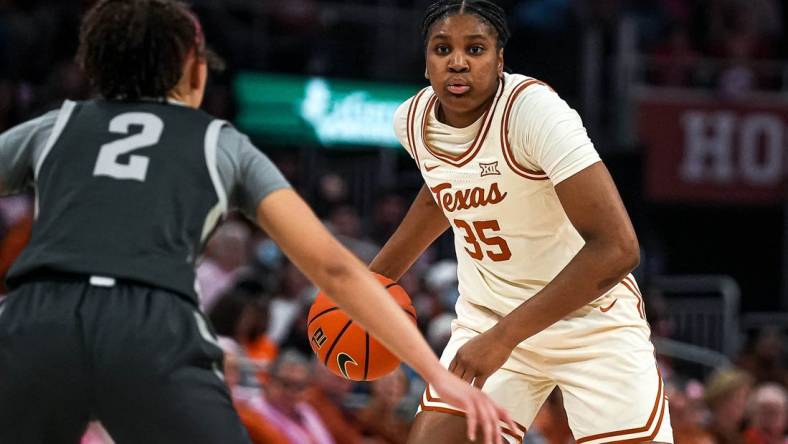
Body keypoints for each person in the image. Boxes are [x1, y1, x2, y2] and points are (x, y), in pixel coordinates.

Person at [0, 1, 514, 443]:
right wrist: (431, 372)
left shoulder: (55, 125)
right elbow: (332, 267)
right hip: (150, 322)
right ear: (193, 70)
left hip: (36, 315)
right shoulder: (215, 141)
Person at [369, 1, 674, 443]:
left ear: (499, 61)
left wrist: (504, 338)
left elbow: (618, 249)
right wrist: (371, 284)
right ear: (426, 62)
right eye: (442, 49)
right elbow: (443, 189)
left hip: (589, 324)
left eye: (475, 49)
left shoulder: (533, 112)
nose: (457, 62)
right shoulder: (412, 122)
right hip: (488, 316)